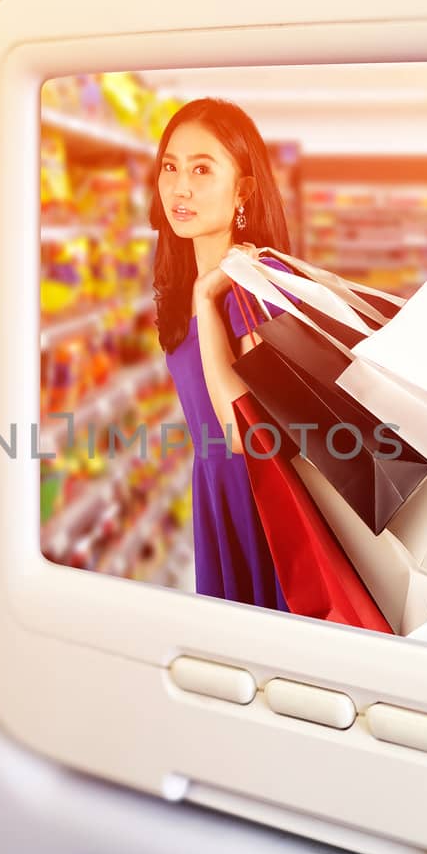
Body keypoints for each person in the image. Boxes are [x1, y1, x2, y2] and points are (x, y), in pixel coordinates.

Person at [150, 98, 290, 610]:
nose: (179, 186)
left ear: (242, 190)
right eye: (170, 166)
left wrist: (210, 303)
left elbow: (247, 436)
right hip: (216, 494)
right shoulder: (176, 286)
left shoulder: (261, 290)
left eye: (202, 169)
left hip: (267, 514)